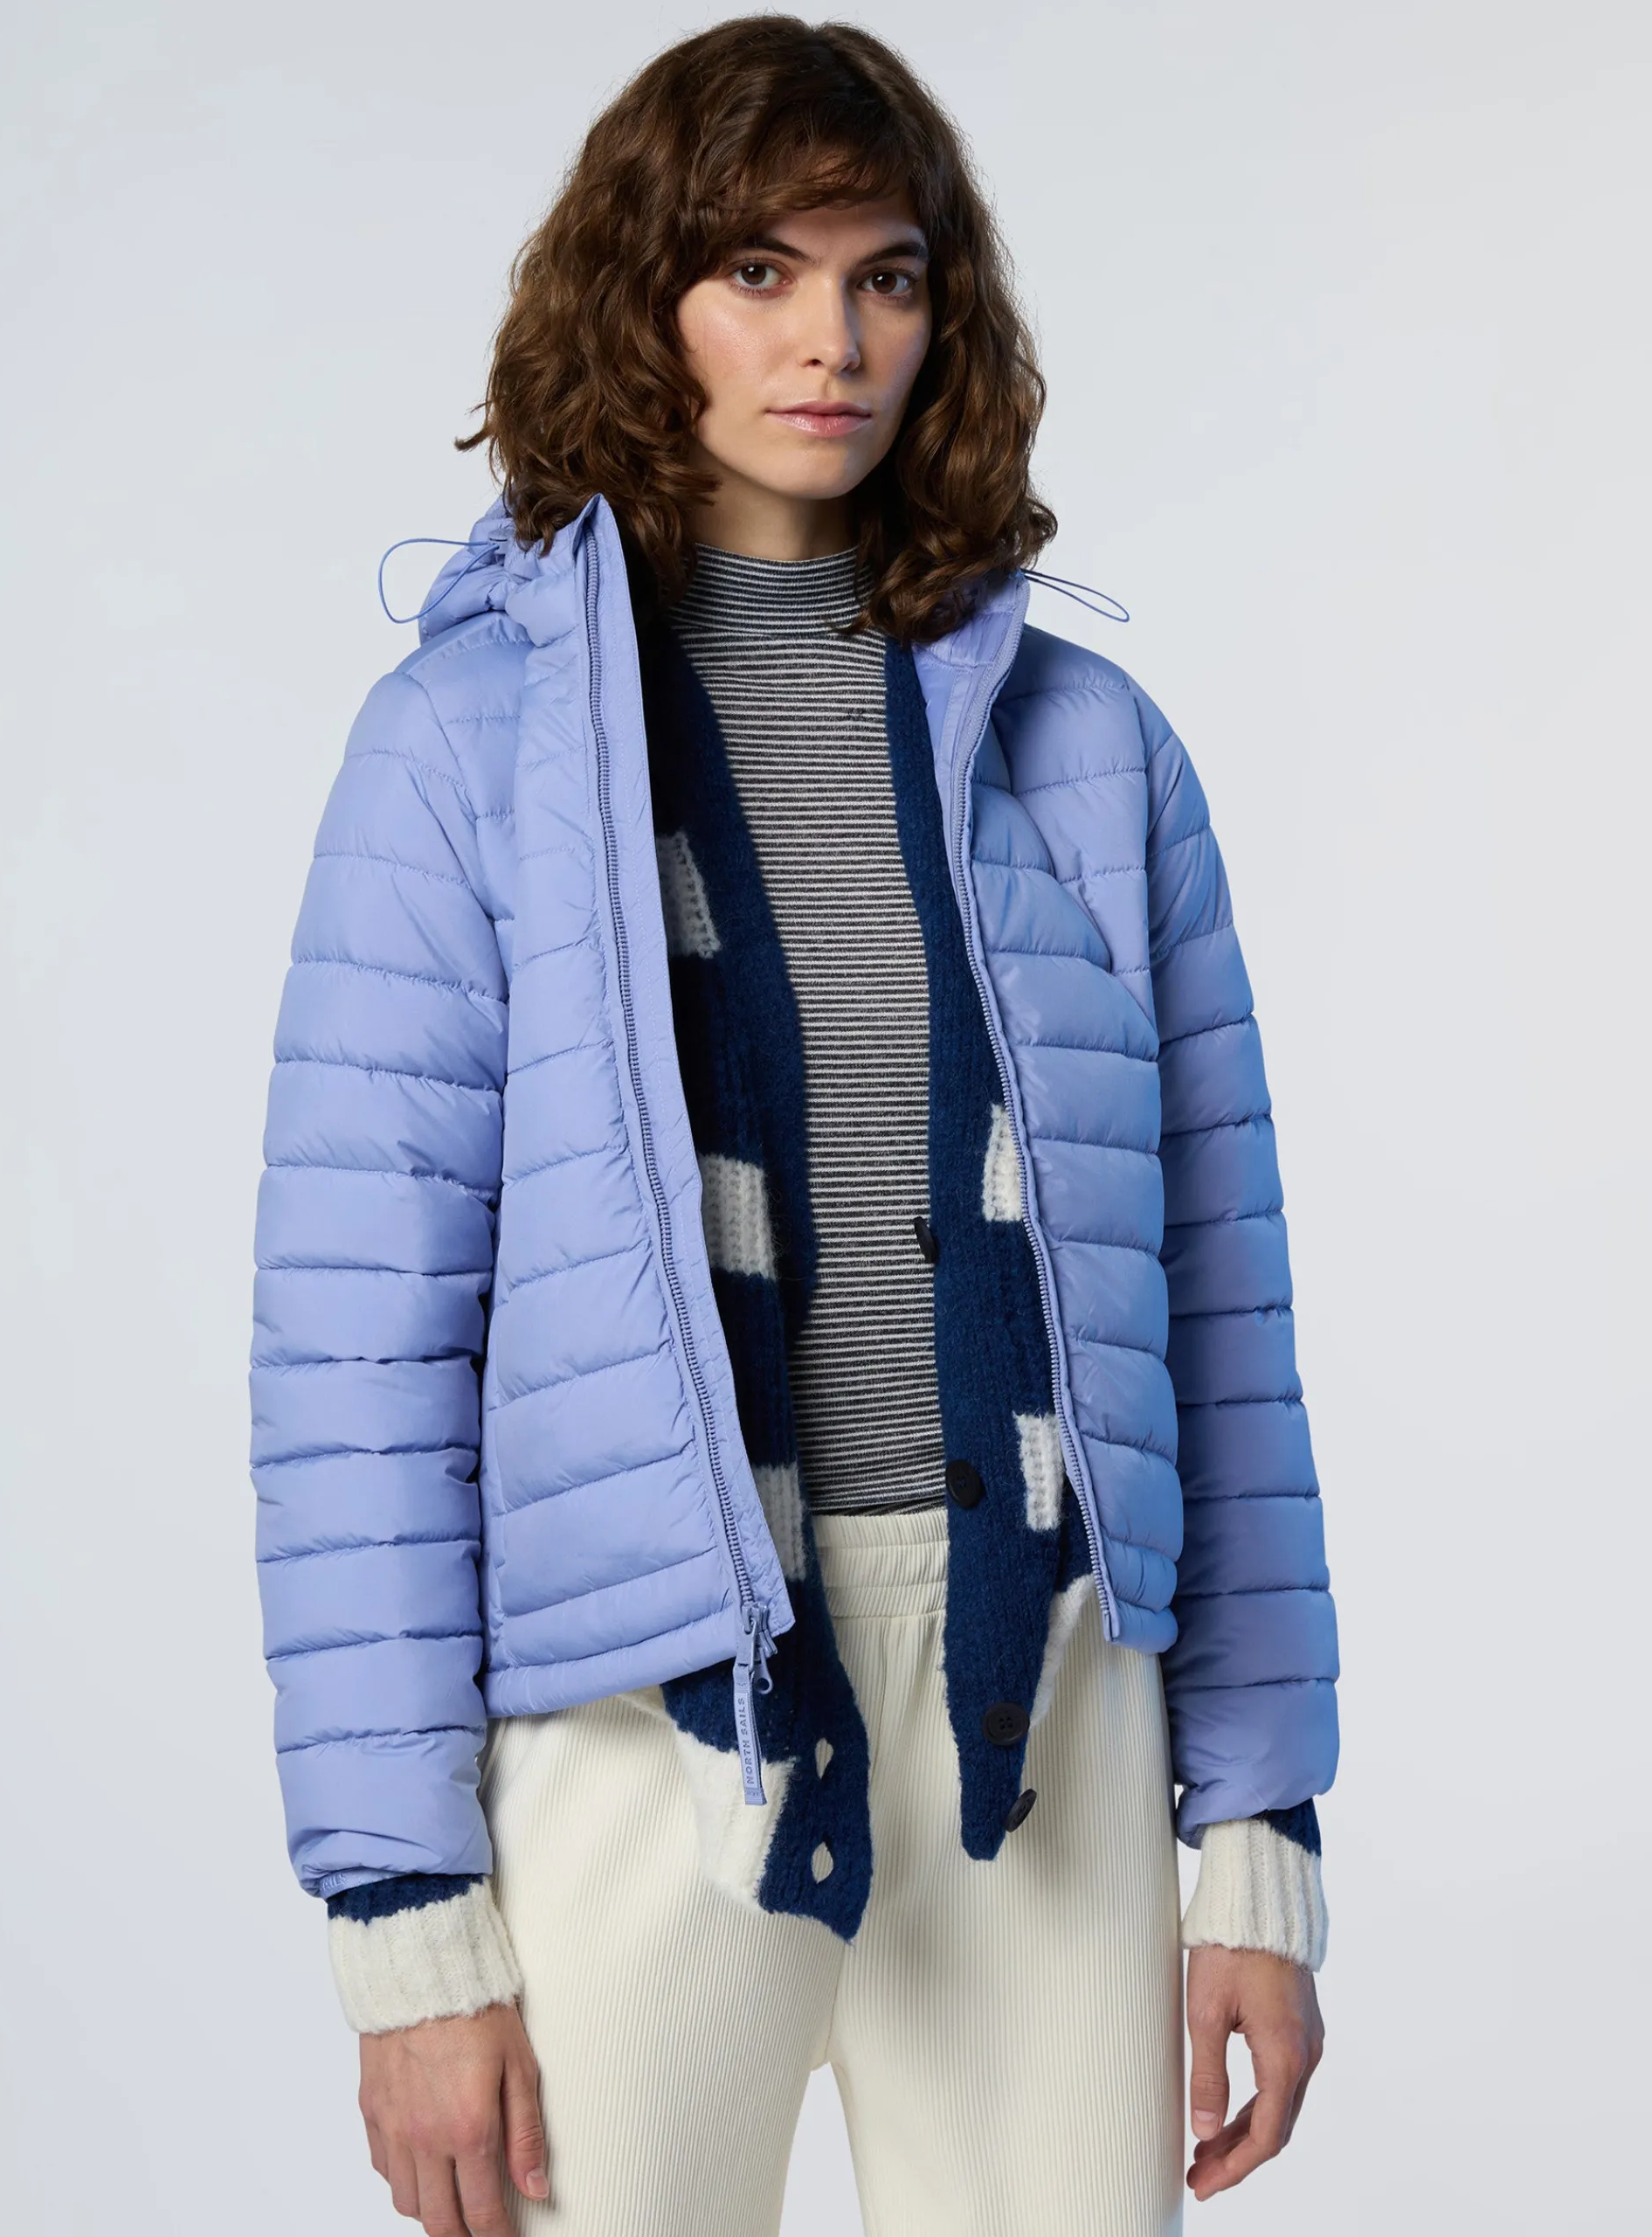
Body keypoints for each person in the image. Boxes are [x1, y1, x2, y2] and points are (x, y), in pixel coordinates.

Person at [250, 17, 1337, 2234]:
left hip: (1048, 1695)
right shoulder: (466, 748)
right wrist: (404, 1910)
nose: (832, 340)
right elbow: (356, 1351)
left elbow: (1219, 1304)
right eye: (758, 269)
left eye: (886, 276)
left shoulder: (1091, 748)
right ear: (641, 296)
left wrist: (1255, 1830)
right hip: (640, 1718)